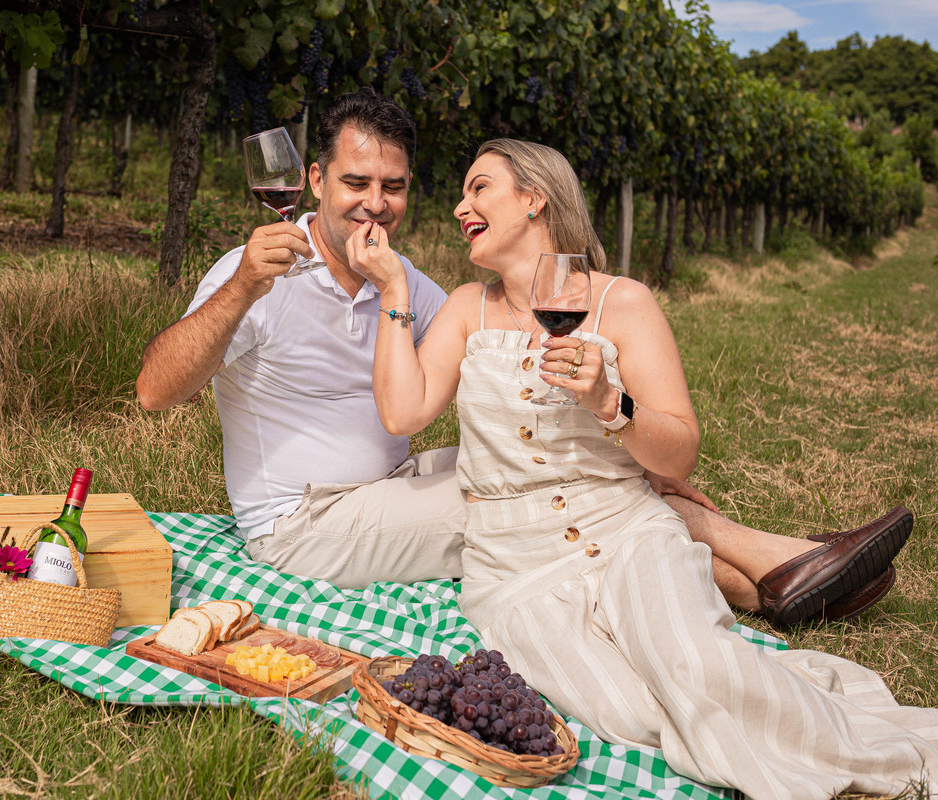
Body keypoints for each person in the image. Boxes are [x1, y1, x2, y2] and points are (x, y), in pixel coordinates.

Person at [135, 88, 910, 626]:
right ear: (313, 181)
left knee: (570, 463)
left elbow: (478, 372)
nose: (375, 202)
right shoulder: (254, 271)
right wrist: (243, 287)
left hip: (394, 484)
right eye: (355, 182)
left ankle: (766, 586)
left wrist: (639, 454)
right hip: (304, 521)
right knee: (540, 495)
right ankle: (778, 565)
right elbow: (153, 391)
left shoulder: (408, 283)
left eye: (393, 186)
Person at [348, 137, 931, 799]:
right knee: (628, 714)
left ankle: (880, 756)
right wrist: (392, 287)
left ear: (535, 198)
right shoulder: (465, 308)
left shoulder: (622, 302)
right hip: (513, 568)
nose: (460, 207)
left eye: (479, 187)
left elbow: (679, 453)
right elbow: (401, 412)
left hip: (624, 532)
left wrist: (611, 404)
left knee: (699, 671)